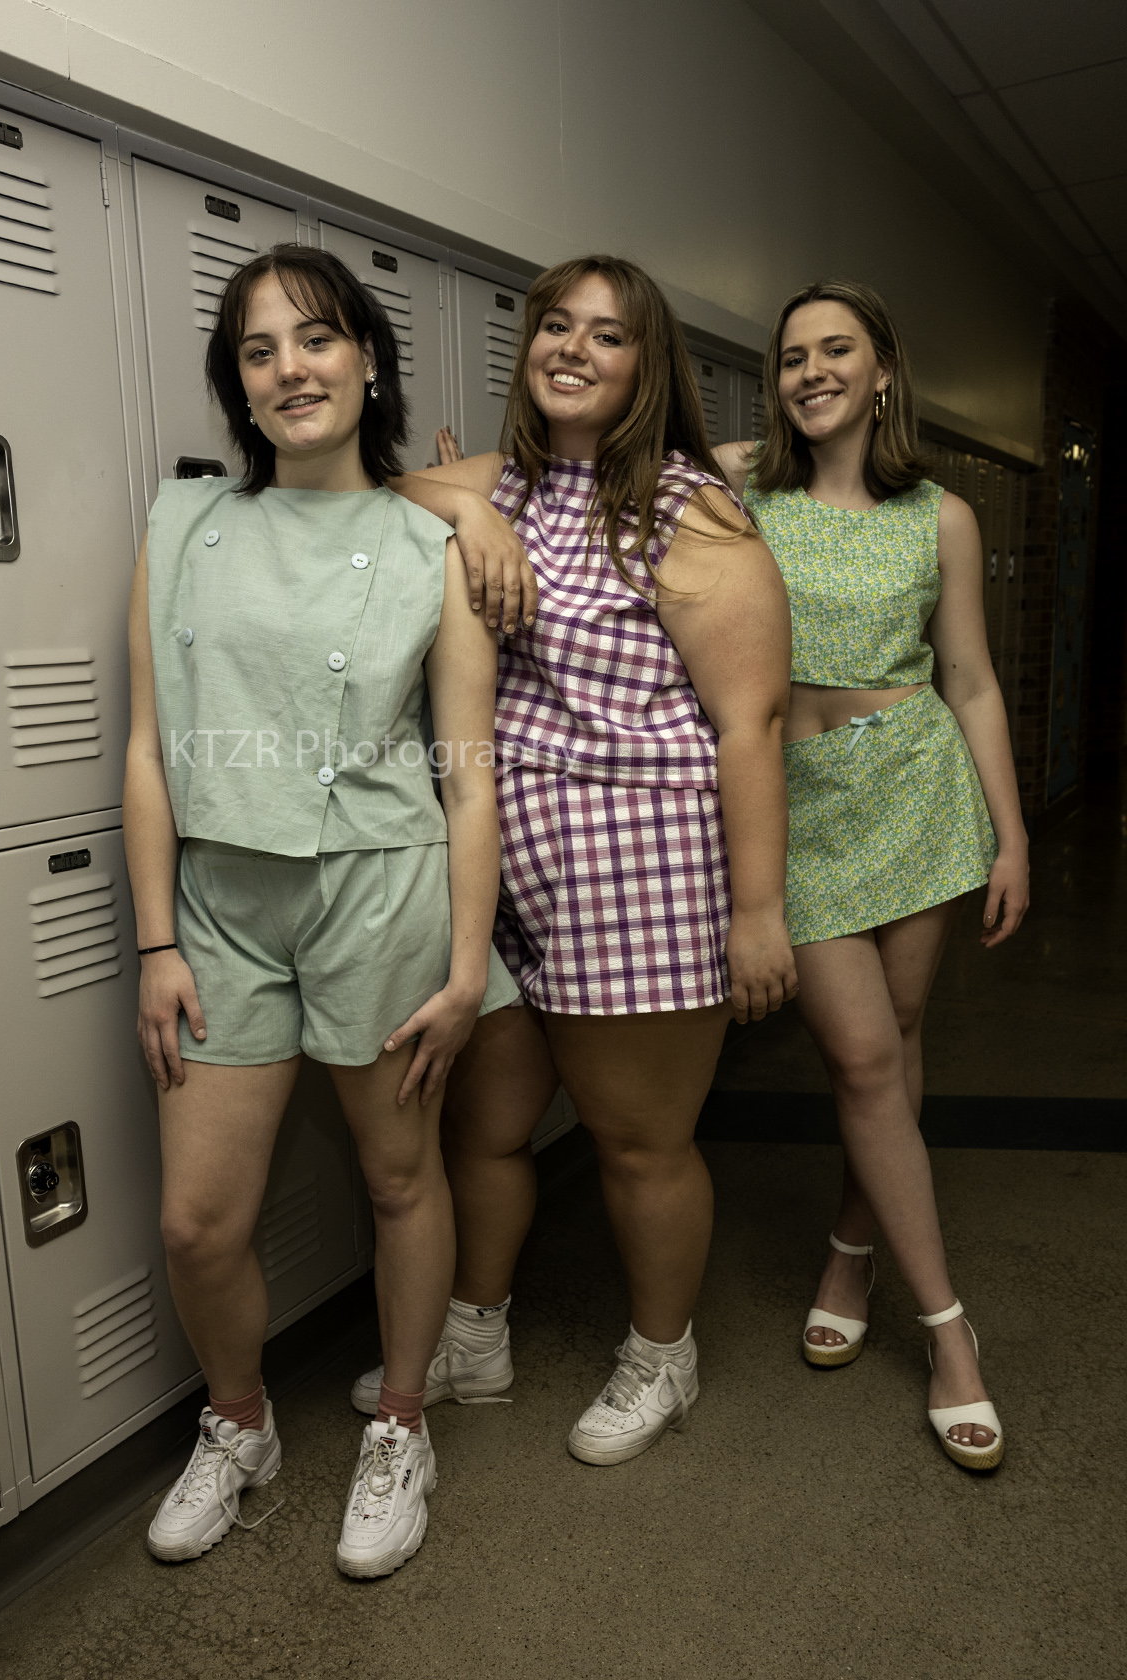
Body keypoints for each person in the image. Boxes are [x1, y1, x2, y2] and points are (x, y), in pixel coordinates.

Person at [353, 254, 798, 1464]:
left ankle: (663, 1356)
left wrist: (758, 913)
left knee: (636, 1141)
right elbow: (378, 486)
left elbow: (751, 724)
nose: (573, 349)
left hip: (636, 874)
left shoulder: (690, 511)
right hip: (501, 873)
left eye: (608, 336)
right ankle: (476, 1336)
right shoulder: (517, 483)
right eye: (557, 325)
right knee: (486, 1131)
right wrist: (477, 505)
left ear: (647, 366)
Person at [124, 243, 526, 1578]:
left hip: (381, 893)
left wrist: (467, 968)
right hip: (221, 907)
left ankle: (401, 1423)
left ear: (367, 360)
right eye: (257, 350)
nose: (289, 367)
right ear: (236, 387)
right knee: (198, 1221)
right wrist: (155, 940)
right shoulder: (180, 525)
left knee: (399, 1180)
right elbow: (146, 747)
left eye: (315, 339)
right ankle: (240, 1425)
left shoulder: (433, 542)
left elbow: (469, 781)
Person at [713, 279, 1028, 1470]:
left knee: (892, 1037)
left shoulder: (940, 515)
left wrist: (1013, 834)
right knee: (860, 1056)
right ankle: (950, 1334)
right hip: (792, 808)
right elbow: (607, 453)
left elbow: (974, 682)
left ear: (884, 368)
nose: (811, 371)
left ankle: (851, 1245)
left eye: (836, 349)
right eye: (792, 355)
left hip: (914, 788)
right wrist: (468, 495)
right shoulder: (745, 481)